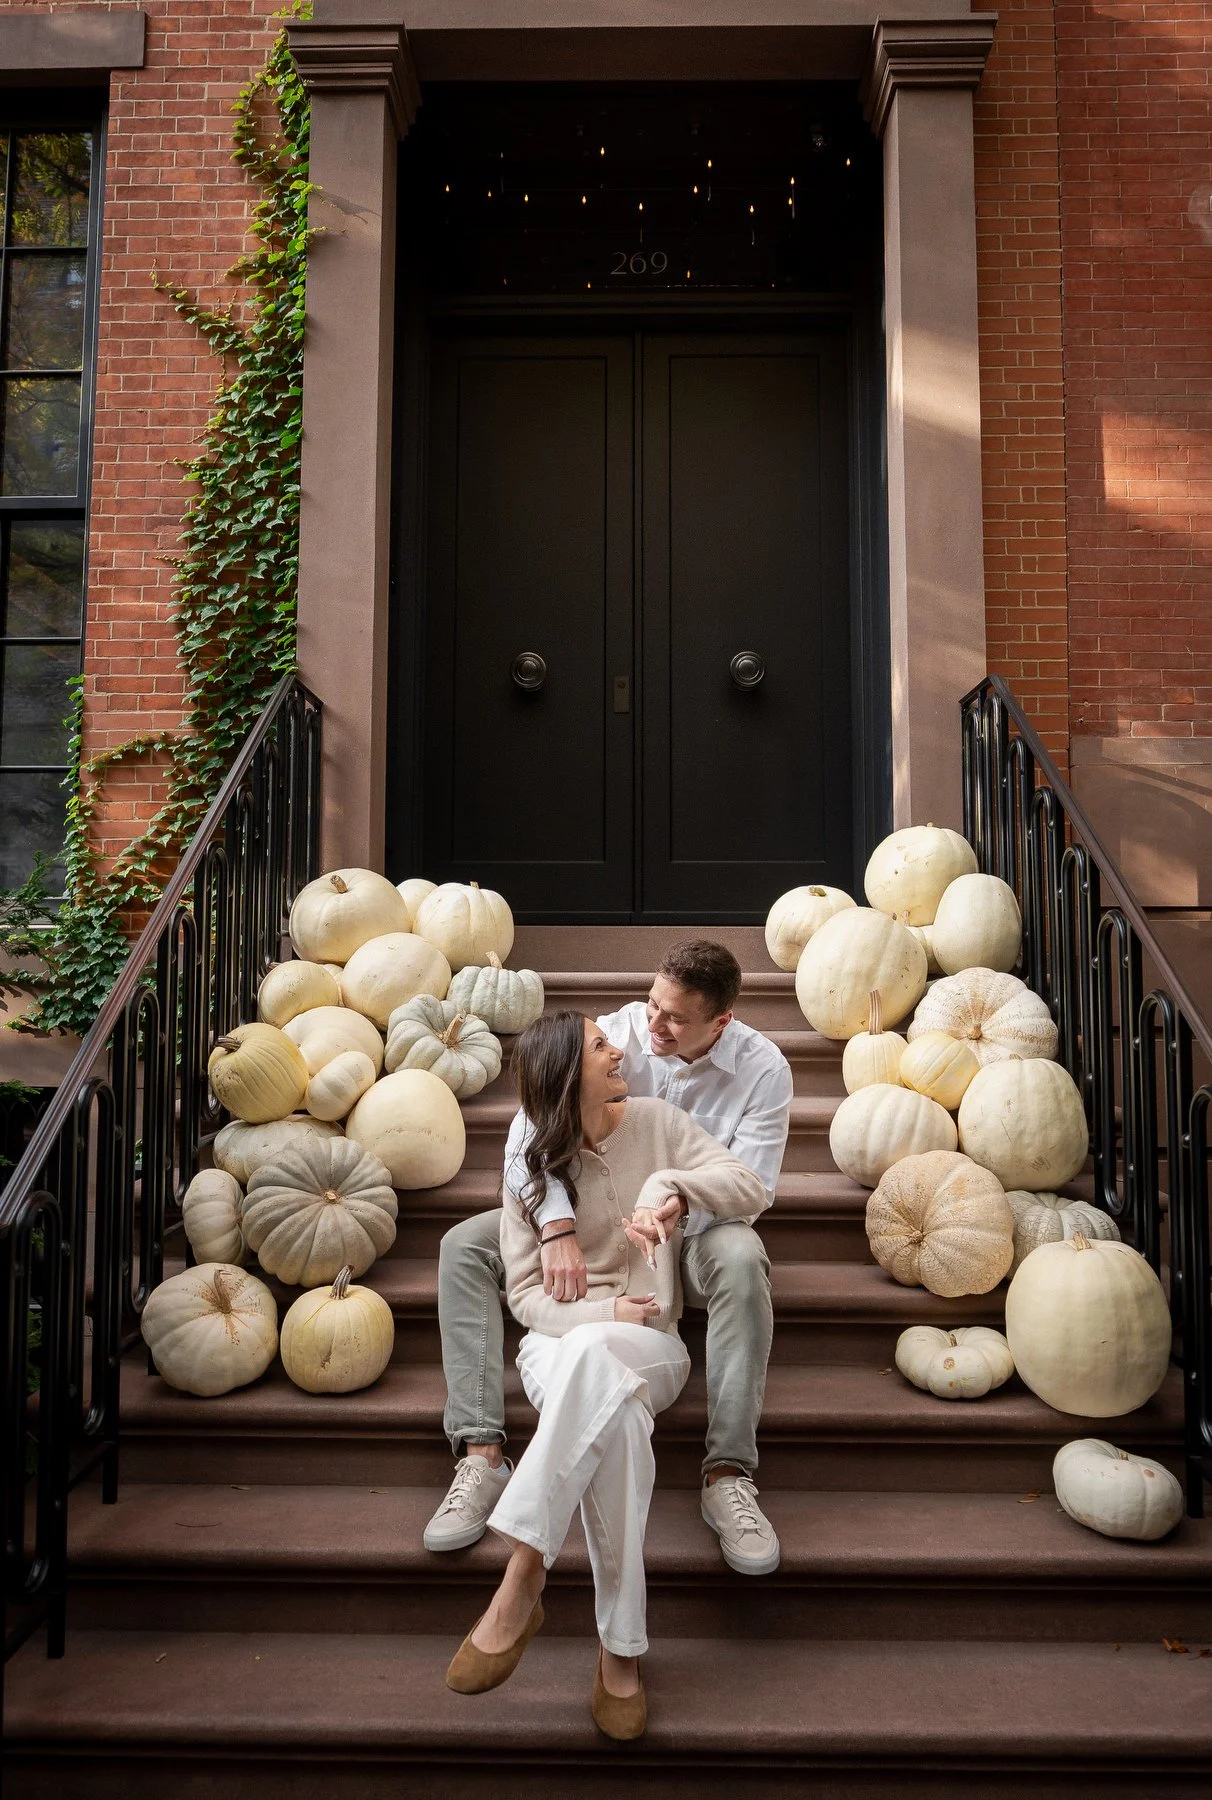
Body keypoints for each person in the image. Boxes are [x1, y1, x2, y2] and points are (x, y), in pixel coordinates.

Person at [445, 1010, 767, 1738]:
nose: (619, 1047)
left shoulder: (656, 1121)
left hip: (654, 1346)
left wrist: (674, 1186)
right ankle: (620, 1652)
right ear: (567, 1074)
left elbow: (749, 1187)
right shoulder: (530, 1170)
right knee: (611, 1407)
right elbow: (526, 1300)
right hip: (557, 1348)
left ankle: (525, 1570)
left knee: (606, 1369)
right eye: (599, 1045)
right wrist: (601, 1317)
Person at [426, 940, 793, 1571]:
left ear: (720, 1022)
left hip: (699, 1228)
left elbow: (749, 1189)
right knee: (464, 1245)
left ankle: (727, 1472)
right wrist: (555, 1222)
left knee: (741, 1254)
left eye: (675, 1018)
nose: (653, 1025)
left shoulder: (764, 1071)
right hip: (590, 1220)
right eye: (653, 1003)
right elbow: (528, 1127)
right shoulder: (617, 1035)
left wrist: (670, 1199)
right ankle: (481, 1453)